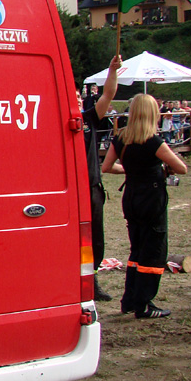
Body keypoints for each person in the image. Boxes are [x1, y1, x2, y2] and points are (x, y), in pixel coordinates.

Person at [101, 94, 188, 319]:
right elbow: (181, 168)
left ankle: (129, 299)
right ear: (152, 114)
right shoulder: (153, 142)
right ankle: (144, 303)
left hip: (131, 198)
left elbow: (107, 166)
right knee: (153, 252)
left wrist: (130, 170)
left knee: (136, 250)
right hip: (151, 200)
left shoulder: (121, 139)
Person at [80, 55, 123, 302]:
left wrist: (112, 71)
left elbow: (108, 95)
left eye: (78, 97)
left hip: (92, 187)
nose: (75, 99)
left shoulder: (89, 119)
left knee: (94, 237)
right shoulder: (55, 120)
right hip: (70, 190)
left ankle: (92, 281)